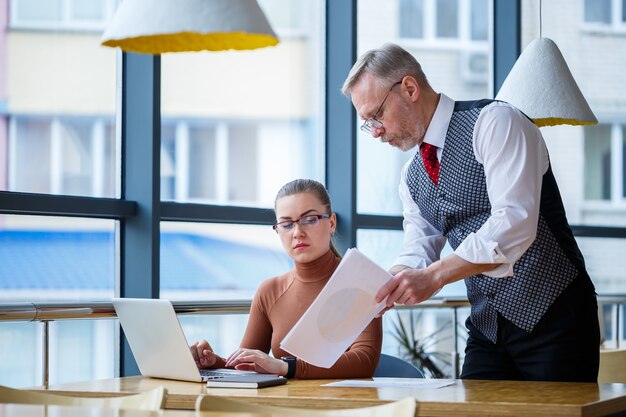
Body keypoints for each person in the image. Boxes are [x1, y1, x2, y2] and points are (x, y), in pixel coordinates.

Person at [341, 43, 600, 382]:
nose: (375, 132)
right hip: (488, 328)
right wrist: (391, 282)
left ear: (409, 88)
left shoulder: (496, 122)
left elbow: (513, 224)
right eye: (367, 124)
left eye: (376, 116)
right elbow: (419, 246)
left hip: (556, 318)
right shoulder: (411, 176)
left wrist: (434, 276)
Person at [190, 179, 382, 379]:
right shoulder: (269, 290)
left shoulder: (362, 280)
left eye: (310, 219)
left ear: (331, 223)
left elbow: (364, 361)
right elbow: (246, 366)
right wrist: (212, 362)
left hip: (344, 407)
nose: (298, 233)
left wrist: (285, 367)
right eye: (287, 224)